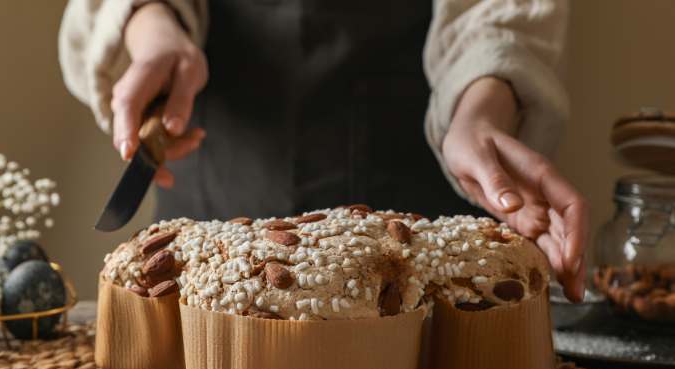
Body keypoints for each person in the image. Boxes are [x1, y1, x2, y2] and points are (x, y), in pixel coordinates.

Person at [59, 0, 587, 302]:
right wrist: (153, 29)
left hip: (415, 236)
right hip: (214, 200)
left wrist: (480, 109)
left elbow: (497, 12)